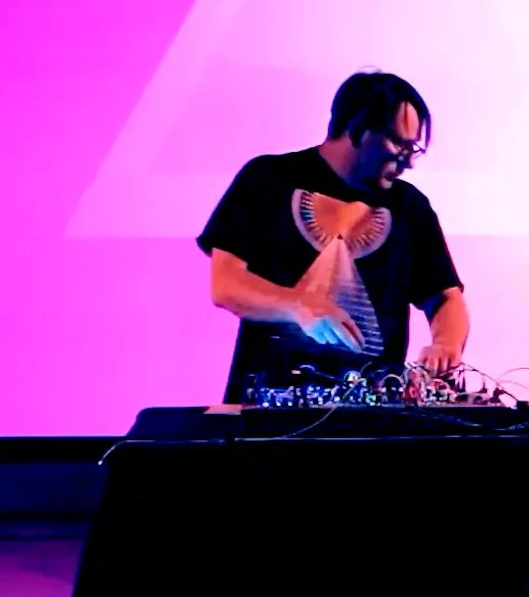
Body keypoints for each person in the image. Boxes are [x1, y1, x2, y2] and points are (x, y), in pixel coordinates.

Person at [197, 70, 470, 403]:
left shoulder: (409, 207)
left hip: (375, 414)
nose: (407, 161)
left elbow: (445, 298)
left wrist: (445, 344)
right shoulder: (268, 179)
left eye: (413, 148)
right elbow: (226, 285)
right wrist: (298, 305)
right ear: (358, 129)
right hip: (269, 410)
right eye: (399, 144)